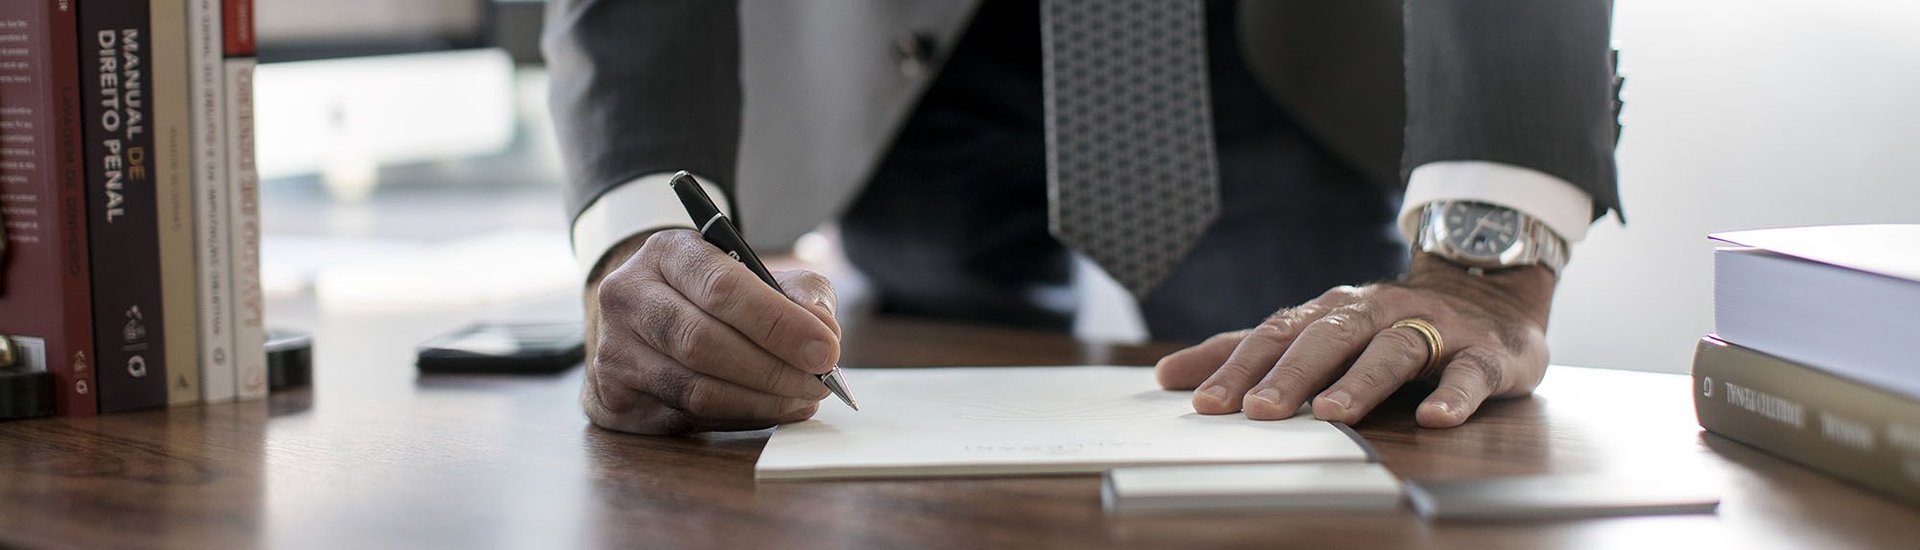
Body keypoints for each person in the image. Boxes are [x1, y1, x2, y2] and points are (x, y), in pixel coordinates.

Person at [543, 0, 1622, 435]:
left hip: (1275, 53)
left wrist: (1483, 259)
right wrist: (645, 228)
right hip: (912, 59)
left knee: (1326, 416)